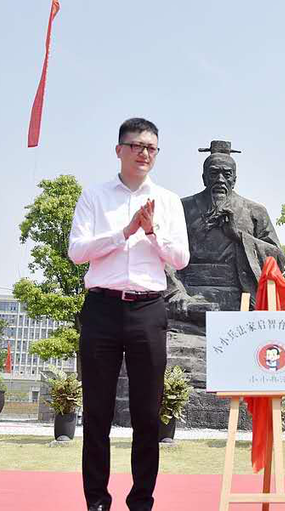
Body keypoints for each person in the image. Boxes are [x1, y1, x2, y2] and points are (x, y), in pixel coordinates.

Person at [69, 117, 190, 511]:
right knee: (97, 412)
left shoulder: (169, 201)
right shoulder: (94, 197)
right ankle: (97, 501)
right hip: (102, 308)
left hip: (147, 310)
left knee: (147, 415)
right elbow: (77, 252)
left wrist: (152, 231)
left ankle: (141, 501)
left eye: (152, 148)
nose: (144, 154)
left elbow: (181, 259)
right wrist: (125, 231)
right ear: (119, 149)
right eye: (137, 146)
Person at [168, 140, 285, 318]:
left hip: (242, 298)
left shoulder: (255, 211)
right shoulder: (182, 208)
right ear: (204, 177)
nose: (220, 180)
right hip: (190, 296)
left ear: (235, 179)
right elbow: (162, 254)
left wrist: (239, 236)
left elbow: (278, 259)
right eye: (214, 173)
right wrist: (176, 292)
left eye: (227, 174)